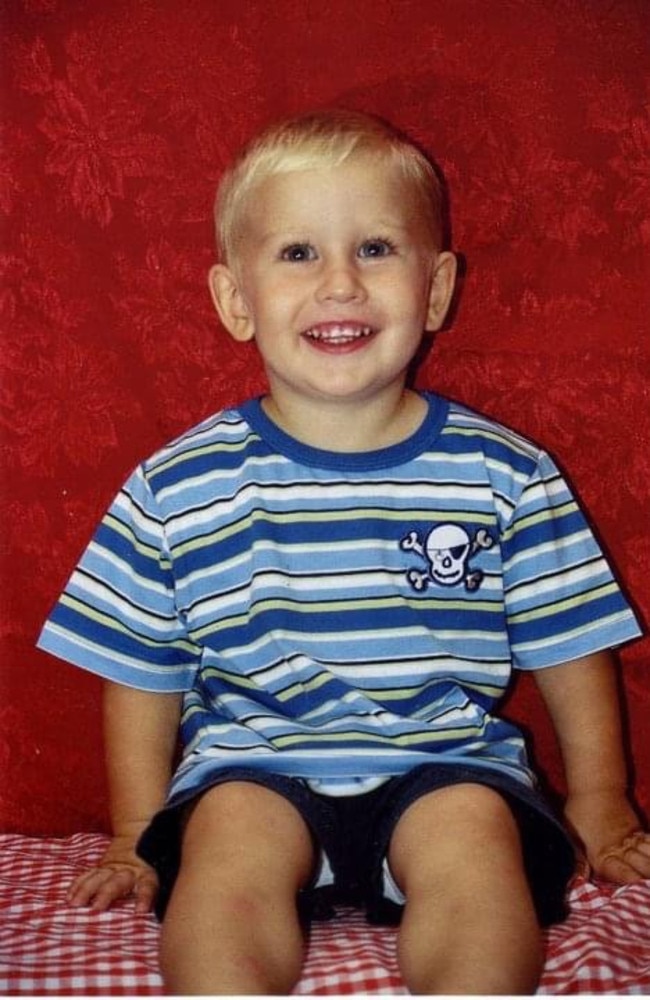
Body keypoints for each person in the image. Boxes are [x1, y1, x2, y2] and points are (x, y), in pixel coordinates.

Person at [38, 109, 650, 996]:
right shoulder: (176, 486)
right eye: (296, 254)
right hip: (253, 762)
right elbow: (141, 671)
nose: (339, 285)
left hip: (446, 761)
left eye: (374, 249)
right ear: (234, 301)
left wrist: (599, 799)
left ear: (436, 291)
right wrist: (138, 830)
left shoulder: (504, 472)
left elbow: (570, 642)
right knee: (222, 862)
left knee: (478, 852)